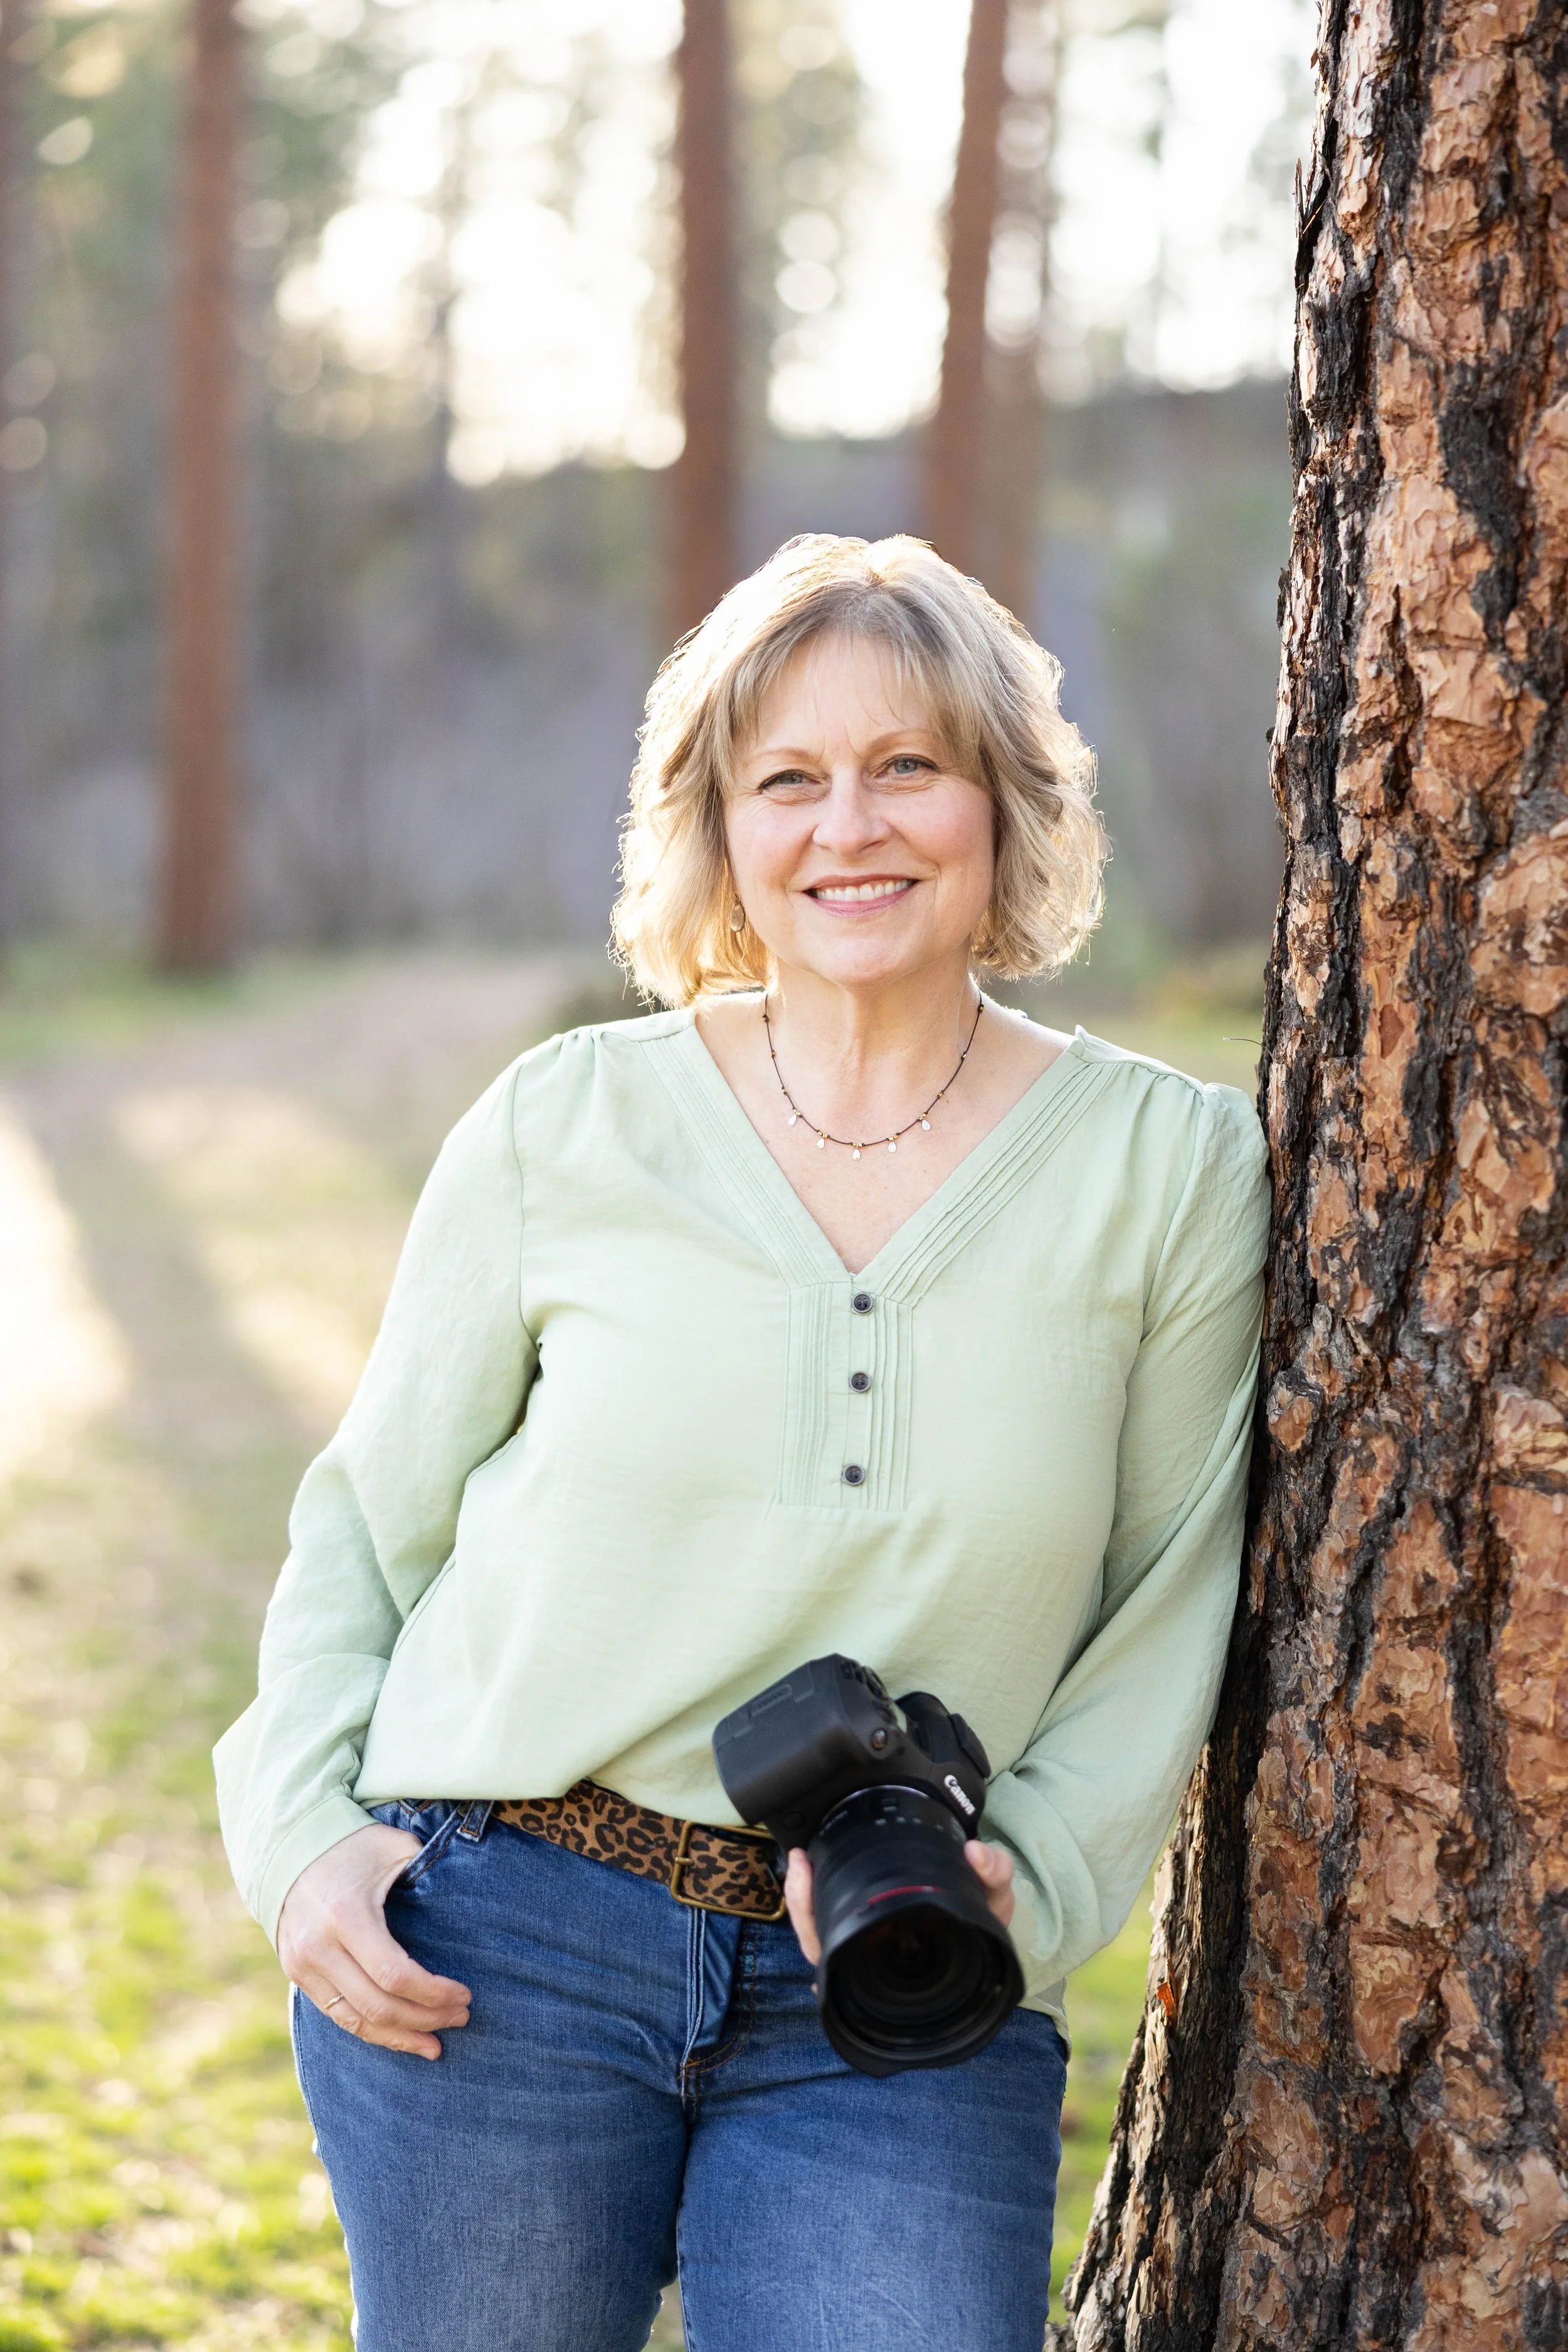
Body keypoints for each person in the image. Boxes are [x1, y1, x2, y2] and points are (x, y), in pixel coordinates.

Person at [215, 532, 1269, 2352]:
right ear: (718, 831)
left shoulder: (1168, 1171)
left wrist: (1040, 1879)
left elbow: (1169, 1591)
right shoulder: (566, 1122)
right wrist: (302, 1833)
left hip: (902, 1959)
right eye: (786, 779)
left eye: (905, 766)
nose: (844, 826)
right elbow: (369, 1527)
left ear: (1003, 804)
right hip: (497, 1936)